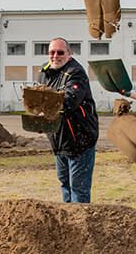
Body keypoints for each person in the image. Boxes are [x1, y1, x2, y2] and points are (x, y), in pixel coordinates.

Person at [39, 37, 99, 203]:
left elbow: (69, 101)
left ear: (69, 54)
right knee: (65, 185)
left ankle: (81, 226)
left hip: (79, 140)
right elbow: (39, 99)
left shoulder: (75, 73)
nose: (55, 56)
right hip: (59, 140)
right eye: (52, 52)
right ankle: (69, 226)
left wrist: (43, 105)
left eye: (60, 52)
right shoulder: (45, 73)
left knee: (78, 191)